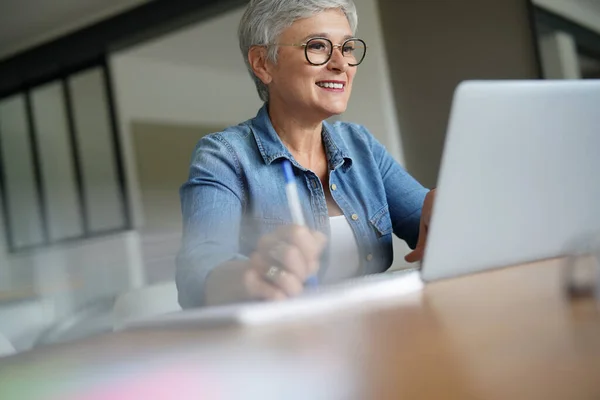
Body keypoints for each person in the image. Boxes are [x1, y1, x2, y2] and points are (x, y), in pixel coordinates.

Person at [176, 0, 435, 308]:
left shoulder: (360, 144)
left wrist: (447, 216)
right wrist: (257, 274)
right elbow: (199, 269)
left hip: (375, 335)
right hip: (285, 348)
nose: (341, 63)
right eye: (318, 46)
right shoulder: (224, 156)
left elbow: (430, 227)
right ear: (263, 63)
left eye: (348, 47)